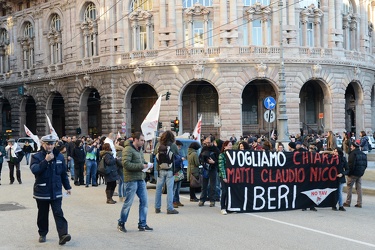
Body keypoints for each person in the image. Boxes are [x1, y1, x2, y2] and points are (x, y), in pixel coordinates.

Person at [30, 134, 72, 245]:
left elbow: (63, 174)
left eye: (52, 144)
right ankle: (42, 233)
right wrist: (45, 161)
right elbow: (35, 170)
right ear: (43, 144)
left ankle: (63, 235)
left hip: (56, 191)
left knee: (58, 212)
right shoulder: (36, 156)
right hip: (42, 192)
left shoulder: (59, 157)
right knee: (43, 214)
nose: (49, 146)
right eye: (47, 144)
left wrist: (67, 187)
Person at [117, 132, 153, 233]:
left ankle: (142, 224)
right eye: (141, 140)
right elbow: (126, 164)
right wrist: (142, 166)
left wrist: (148, 165)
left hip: (141, 178)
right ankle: (121, 223)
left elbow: (141, 161)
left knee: (145, 202)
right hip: (131, 179)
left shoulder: (140, 149)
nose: (143, 142)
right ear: (135, 140)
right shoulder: (128, 149)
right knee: (128, 202)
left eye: (143, 140)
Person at [154, 131, 179, 214]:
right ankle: (169, 208)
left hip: (160, 169)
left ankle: (157, 207)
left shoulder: (158, 145)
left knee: (158, 189)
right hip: (170, 170)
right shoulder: (173, 146)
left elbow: (154, 154)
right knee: (170, 190)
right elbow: (177, 155)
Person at [343, 140, 367, 208]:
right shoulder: (363, 154)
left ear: (353, 147)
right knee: (359, 188)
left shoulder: (352, 154)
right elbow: (365, 165)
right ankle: (359, 203)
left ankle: (348, 202)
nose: (350, 147)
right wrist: (362, 172)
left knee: (349, 187)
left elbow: (351, 165)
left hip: (353, 174)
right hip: (359, 173)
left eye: (351, 146)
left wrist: (349, 173)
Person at [198, 136, 220, 207]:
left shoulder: (216, 150)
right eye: (206, 142)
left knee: (212, 185)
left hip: (213, 168)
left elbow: (219, 160)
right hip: (205, 168)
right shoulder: (204, 148)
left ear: (213, 142)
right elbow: (200, 157)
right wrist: (202, 161)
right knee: (204, 185)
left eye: (209, 142)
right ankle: (202, 199)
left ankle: (212, 200)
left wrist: (214, 162)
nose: (207, 144)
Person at [218, 140, 232, 215]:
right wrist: (224, 177)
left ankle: (229, 206)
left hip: (232, 175)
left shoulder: (233, 154)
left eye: (231, 145)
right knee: (224, 191)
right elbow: (221, 166)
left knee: (230, 192)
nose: (231, 146)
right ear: (225, 146)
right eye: (229, 145)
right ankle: (223, 207)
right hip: (224, 175)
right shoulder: (222, 155)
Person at [173, 140, 185, 208]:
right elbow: (174, 162)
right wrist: (181, 159)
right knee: (174, 188)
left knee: (178, 188)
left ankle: (177, 200)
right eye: (179, 146)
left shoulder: (178, 153)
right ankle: (174, 201)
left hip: (179, 171)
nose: (179, 148)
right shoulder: (174, 153)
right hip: (175, 171)